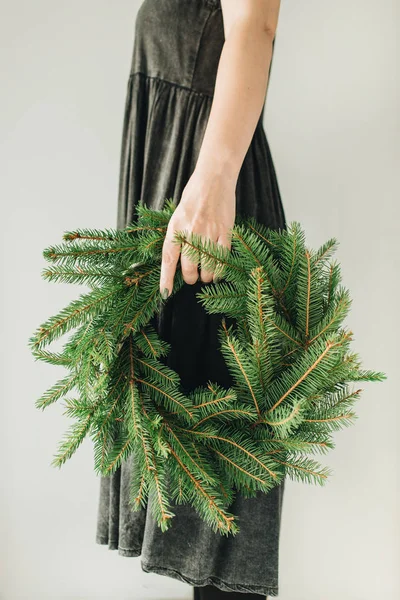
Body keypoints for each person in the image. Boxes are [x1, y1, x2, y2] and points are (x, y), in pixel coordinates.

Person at [96, 1, 287, 598]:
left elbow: (254, 28)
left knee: (219, 527)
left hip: (204, 211)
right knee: (194, 508)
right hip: (175, 189)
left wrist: (211, 180)